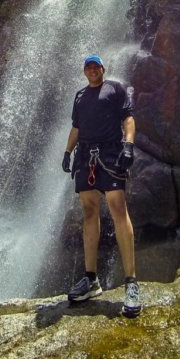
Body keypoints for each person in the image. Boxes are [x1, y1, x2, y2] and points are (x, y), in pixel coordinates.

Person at [62, 54, 142, 318]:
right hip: (85, 155)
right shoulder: (80, 96)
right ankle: (90, 279)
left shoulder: (115, 89)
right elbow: (76, 127)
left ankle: (131, 283)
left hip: (110, 153)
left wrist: (128, 146)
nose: (92, 70)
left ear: (103, 70)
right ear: (84, 72)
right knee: (88, 212)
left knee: (118, 208)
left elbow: (128, 118)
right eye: (88, 67)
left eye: (96, 66)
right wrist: (67, 151)